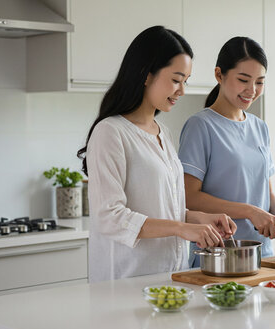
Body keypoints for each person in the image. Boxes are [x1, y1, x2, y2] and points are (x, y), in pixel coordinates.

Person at [77, 26, 236, 282]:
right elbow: (110, 217)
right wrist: (182, 228)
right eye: (176, 79)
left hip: (170, 279)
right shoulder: (111, 132)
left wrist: (197, 219)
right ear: (146, 74)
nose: (182, 91)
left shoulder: (162, 132)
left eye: (186, 81)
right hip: (125, 282)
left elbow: (161, 207)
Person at [178, 36, 275, 267]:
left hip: (263, 255)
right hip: (218, 257)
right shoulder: (200, 126)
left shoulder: (259, 127)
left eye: (260, 82)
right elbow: (189, 197)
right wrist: (250, 212)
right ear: (219, 75)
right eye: (243, 80)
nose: (252, 90)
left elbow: (266, 194)